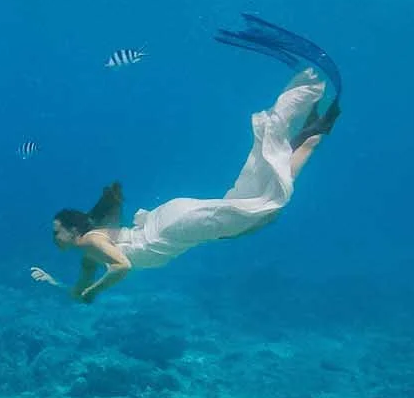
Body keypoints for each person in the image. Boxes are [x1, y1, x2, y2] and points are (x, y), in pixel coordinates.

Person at [32, 43, 338, 302]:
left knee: (263, 207)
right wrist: (53, 282)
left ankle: (312, 134)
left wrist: (94, 293)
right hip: (169, 219)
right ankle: (309, 132)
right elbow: (78, 293)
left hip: (172, 229)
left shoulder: (88, 243)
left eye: (56, 231)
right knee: (253, 205)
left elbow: (122, 267)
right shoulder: (89, 252)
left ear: (73, 231)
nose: (53, 237)